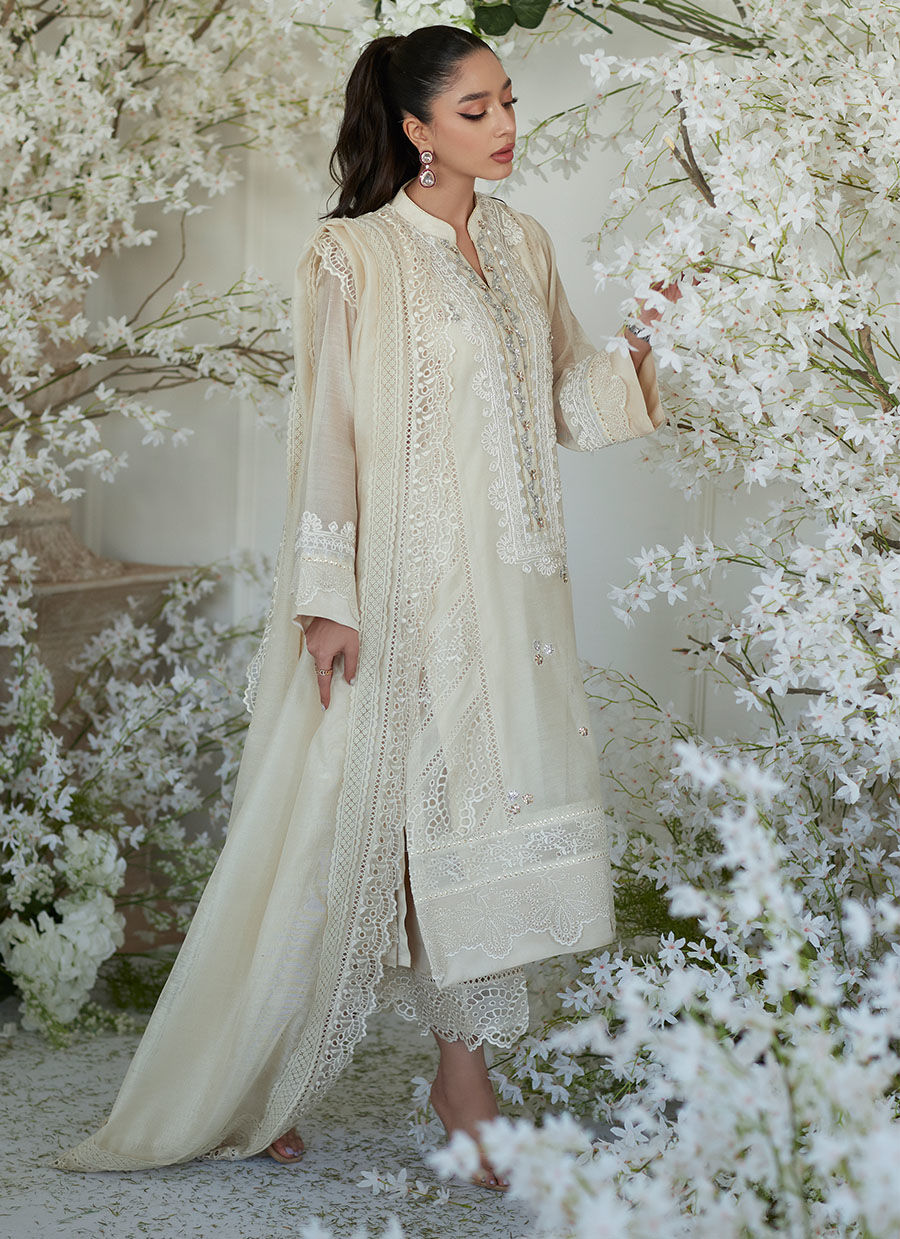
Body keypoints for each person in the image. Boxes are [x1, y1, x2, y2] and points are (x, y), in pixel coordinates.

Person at [52, 25, 668, 1192]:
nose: (506, 125)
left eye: (508, 101)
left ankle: (458, 1078)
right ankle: (272, 1076)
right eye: (476, 110)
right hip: (400, 590)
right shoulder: (355, 257)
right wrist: (326, 598)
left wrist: (640, 342)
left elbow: (566, 406)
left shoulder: (523, 243)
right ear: (416, 128)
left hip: (514, 594)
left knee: (477, 820)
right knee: (355, 831)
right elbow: (325, 436)